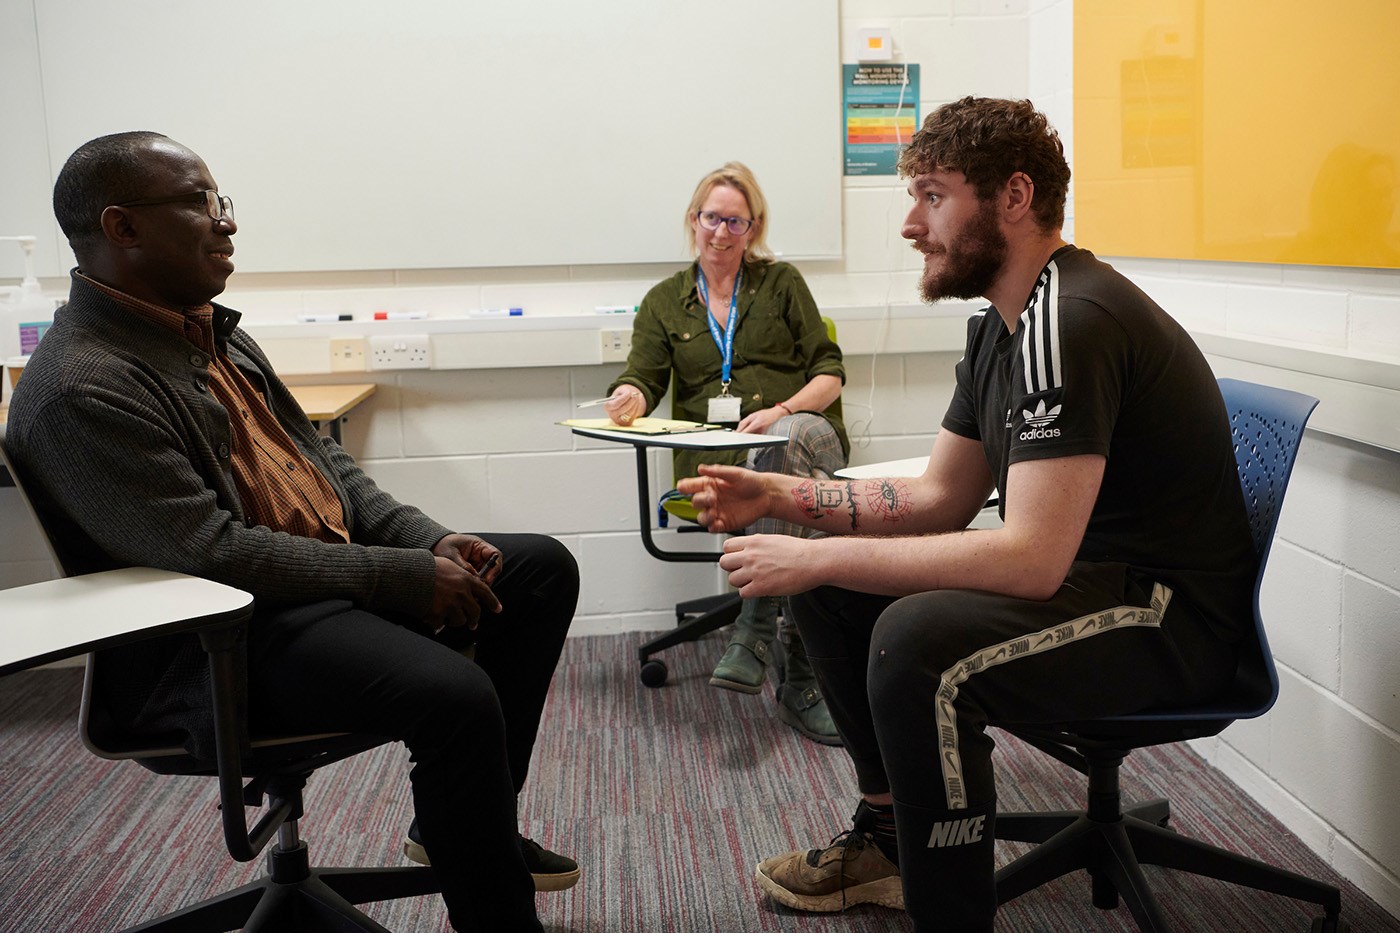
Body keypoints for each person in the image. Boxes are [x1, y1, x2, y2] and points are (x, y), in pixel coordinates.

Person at [678, 98, 1257, 931]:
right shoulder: (1001, 328)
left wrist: (822, 556)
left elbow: (1029, 561)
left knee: (914, 644)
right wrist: (779, 499)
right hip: (1093, 582)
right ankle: (887, 843)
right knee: (832, 586)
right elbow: (937, 498)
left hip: (1167, 618)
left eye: (933, 196)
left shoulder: (1073, 319)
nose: (913, 224)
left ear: (1014, 197)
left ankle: (947, 907)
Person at [6, 132, 579, 933]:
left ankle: (453, 828)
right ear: (123, 227)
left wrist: (431, 542)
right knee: (455, 694)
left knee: (536, 570)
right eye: (200, 202)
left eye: (221, 202)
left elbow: (328, 472)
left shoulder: (213, 331)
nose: (224, 222)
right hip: (212, 643)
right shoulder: (81, 386)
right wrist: (406, 577)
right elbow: (212, 553)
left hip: (301, 595)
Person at [604, 161, 848, 745]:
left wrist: (783, 411)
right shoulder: (664, 301)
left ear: (752, 227)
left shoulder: (783, 282)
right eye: (712, 217)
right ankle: (800, 679)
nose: (721, 231)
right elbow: (643, 378)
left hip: (803, 432)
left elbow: (830, 372)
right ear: (694, 221)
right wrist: (626, 395)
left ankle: (757, 620)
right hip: (721, 464)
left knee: (785, 444)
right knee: (798, 486)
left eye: (735, 221)